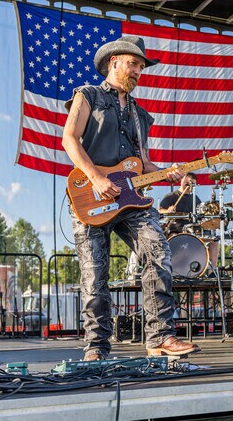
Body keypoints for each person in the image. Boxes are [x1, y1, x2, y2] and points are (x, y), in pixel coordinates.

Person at [61, 35, 200, 361]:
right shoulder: (88, 96)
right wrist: (96, 177)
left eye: (141, 65)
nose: (138, 70)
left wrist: (170, 173)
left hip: (130, 198)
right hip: (91, 195)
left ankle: (160, 337)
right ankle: (97, 347)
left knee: (158, 250)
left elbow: (140, 163)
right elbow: (69, 139)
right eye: (133, 63)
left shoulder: (139, 114)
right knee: (95, 273)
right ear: (114, 62)